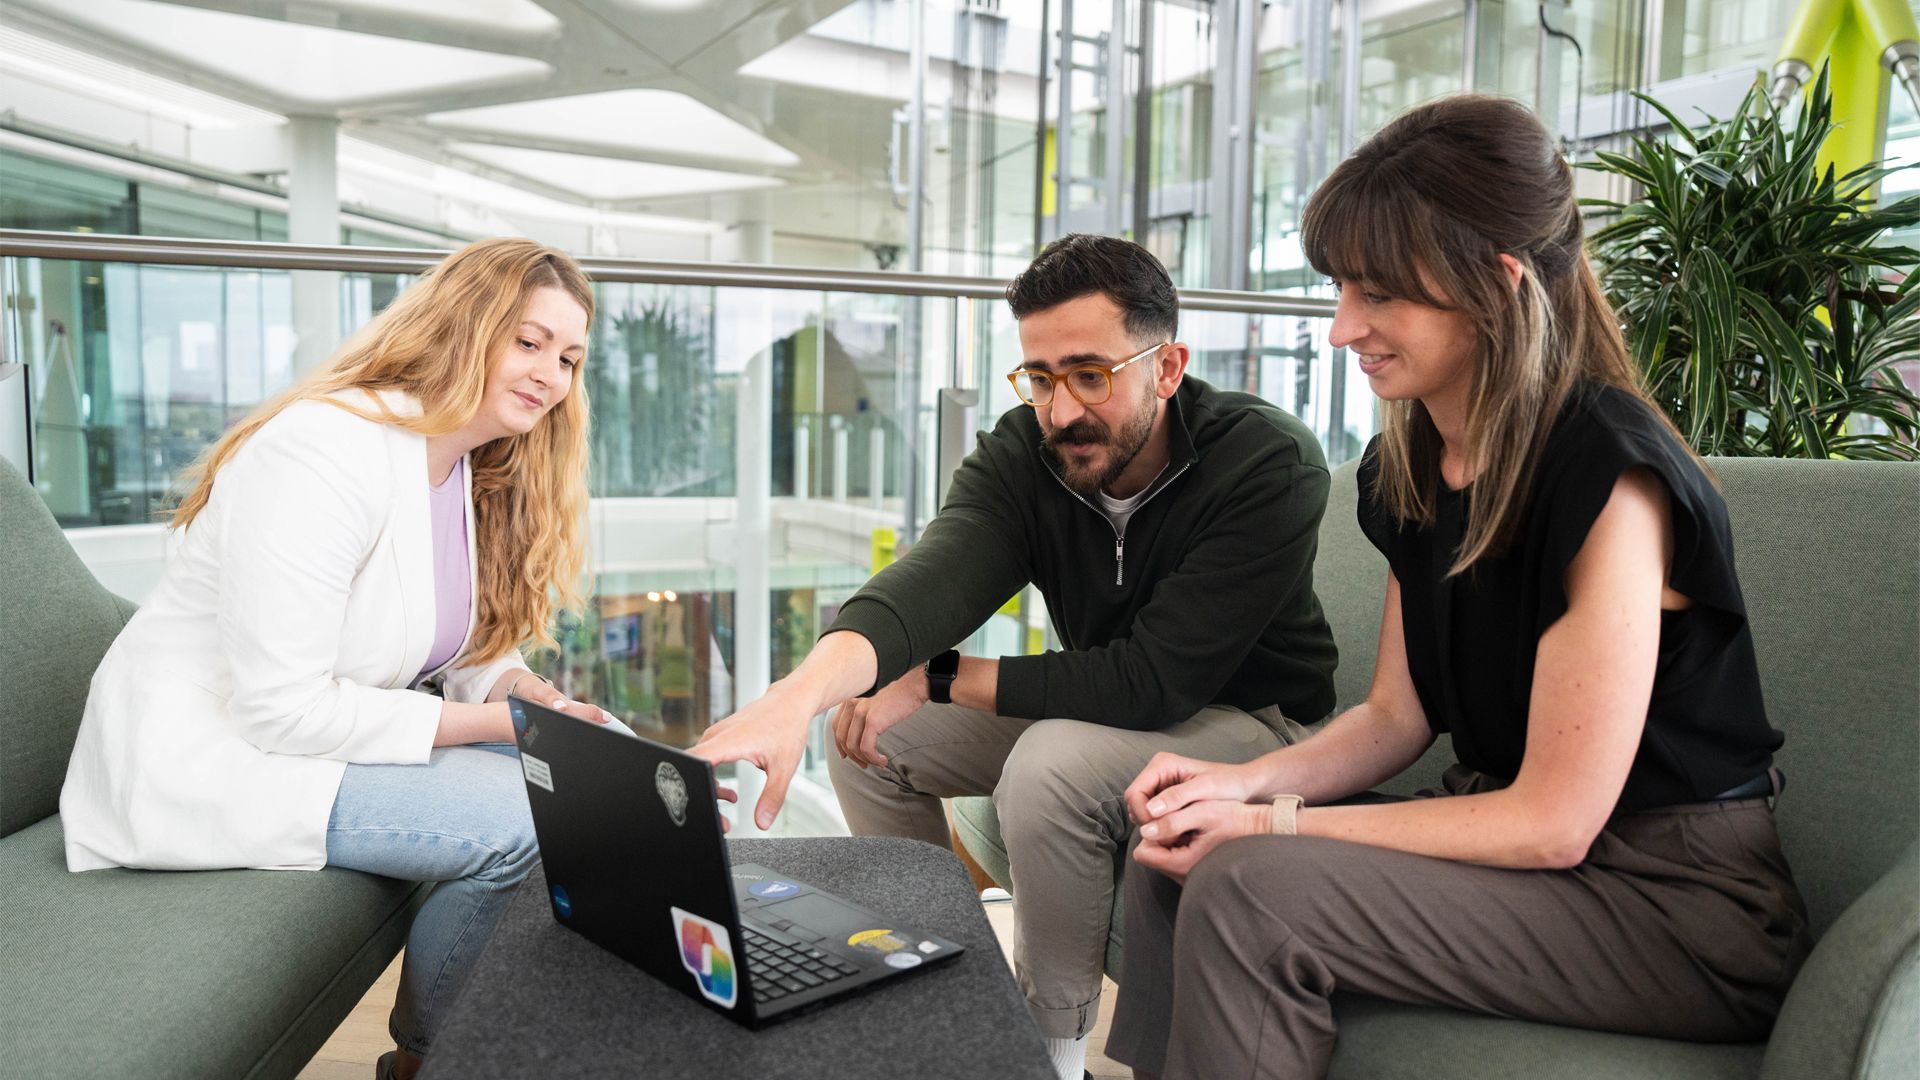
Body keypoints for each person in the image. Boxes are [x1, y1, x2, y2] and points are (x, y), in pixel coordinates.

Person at [1106, 94, 1812, 1080]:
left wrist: (1273, 823)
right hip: (1538, 853)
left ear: (1499, 285)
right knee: (1175, 860)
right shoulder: (1413, 466)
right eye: (1345, 290)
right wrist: (1239, 785)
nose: (1343, 328)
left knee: (1254, 885)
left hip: (1675, 904)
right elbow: (1397, 716)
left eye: (1379, 295)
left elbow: (1555, 821)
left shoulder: (1613, 478)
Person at [693, 233, 1339, 1080]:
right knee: (869, 734)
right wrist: (799, 694)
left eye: (1090, 374)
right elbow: (934, 578)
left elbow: (1153, 680)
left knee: (1048, 762)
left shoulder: (1265, 460)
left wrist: (940, 676)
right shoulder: (1028, 453)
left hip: (1259, 723)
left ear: (1168, 366)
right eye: (1040, 377)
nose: (1062, 408)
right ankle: (947, 996)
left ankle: (1050, 1053)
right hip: (1111, 713)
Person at [60, 237, 624, 1080]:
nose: (551, 373)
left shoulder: (462, 466)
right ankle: (428, 1061)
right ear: (463, 327)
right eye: (528, 341)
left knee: (579, 773)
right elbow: (280, 710)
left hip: (305, 741)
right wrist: (506, 727)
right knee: (522, 822)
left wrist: (538, 701)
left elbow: (466, 652)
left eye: (570, 357)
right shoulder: (321, 453)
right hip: (209, 756)